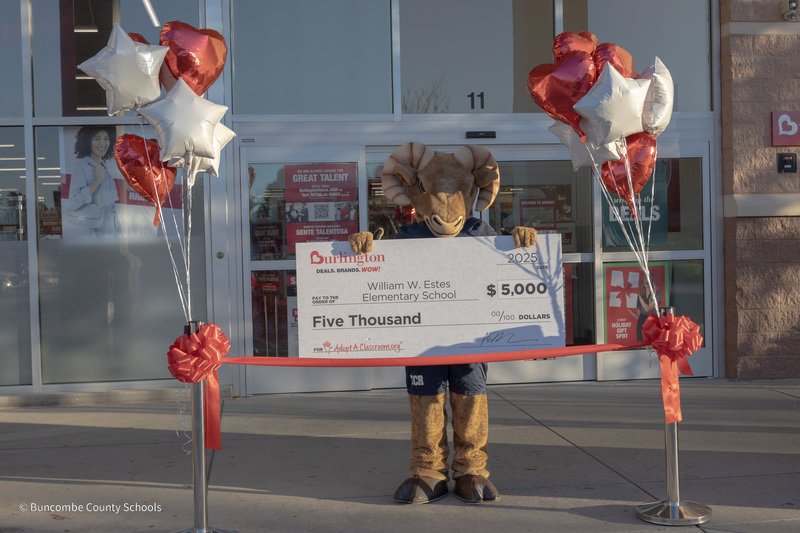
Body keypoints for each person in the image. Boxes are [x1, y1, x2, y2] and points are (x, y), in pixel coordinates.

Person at [67, 126, 120, 238]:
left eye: (106, 139)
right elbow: (73, 203)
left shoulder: (102, 167)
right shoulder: (81, 165)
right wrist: (97, 181)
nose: (102, 143)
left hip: (113, 226)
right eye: (97, 139)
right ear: (88, 142)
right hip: (96, 228)